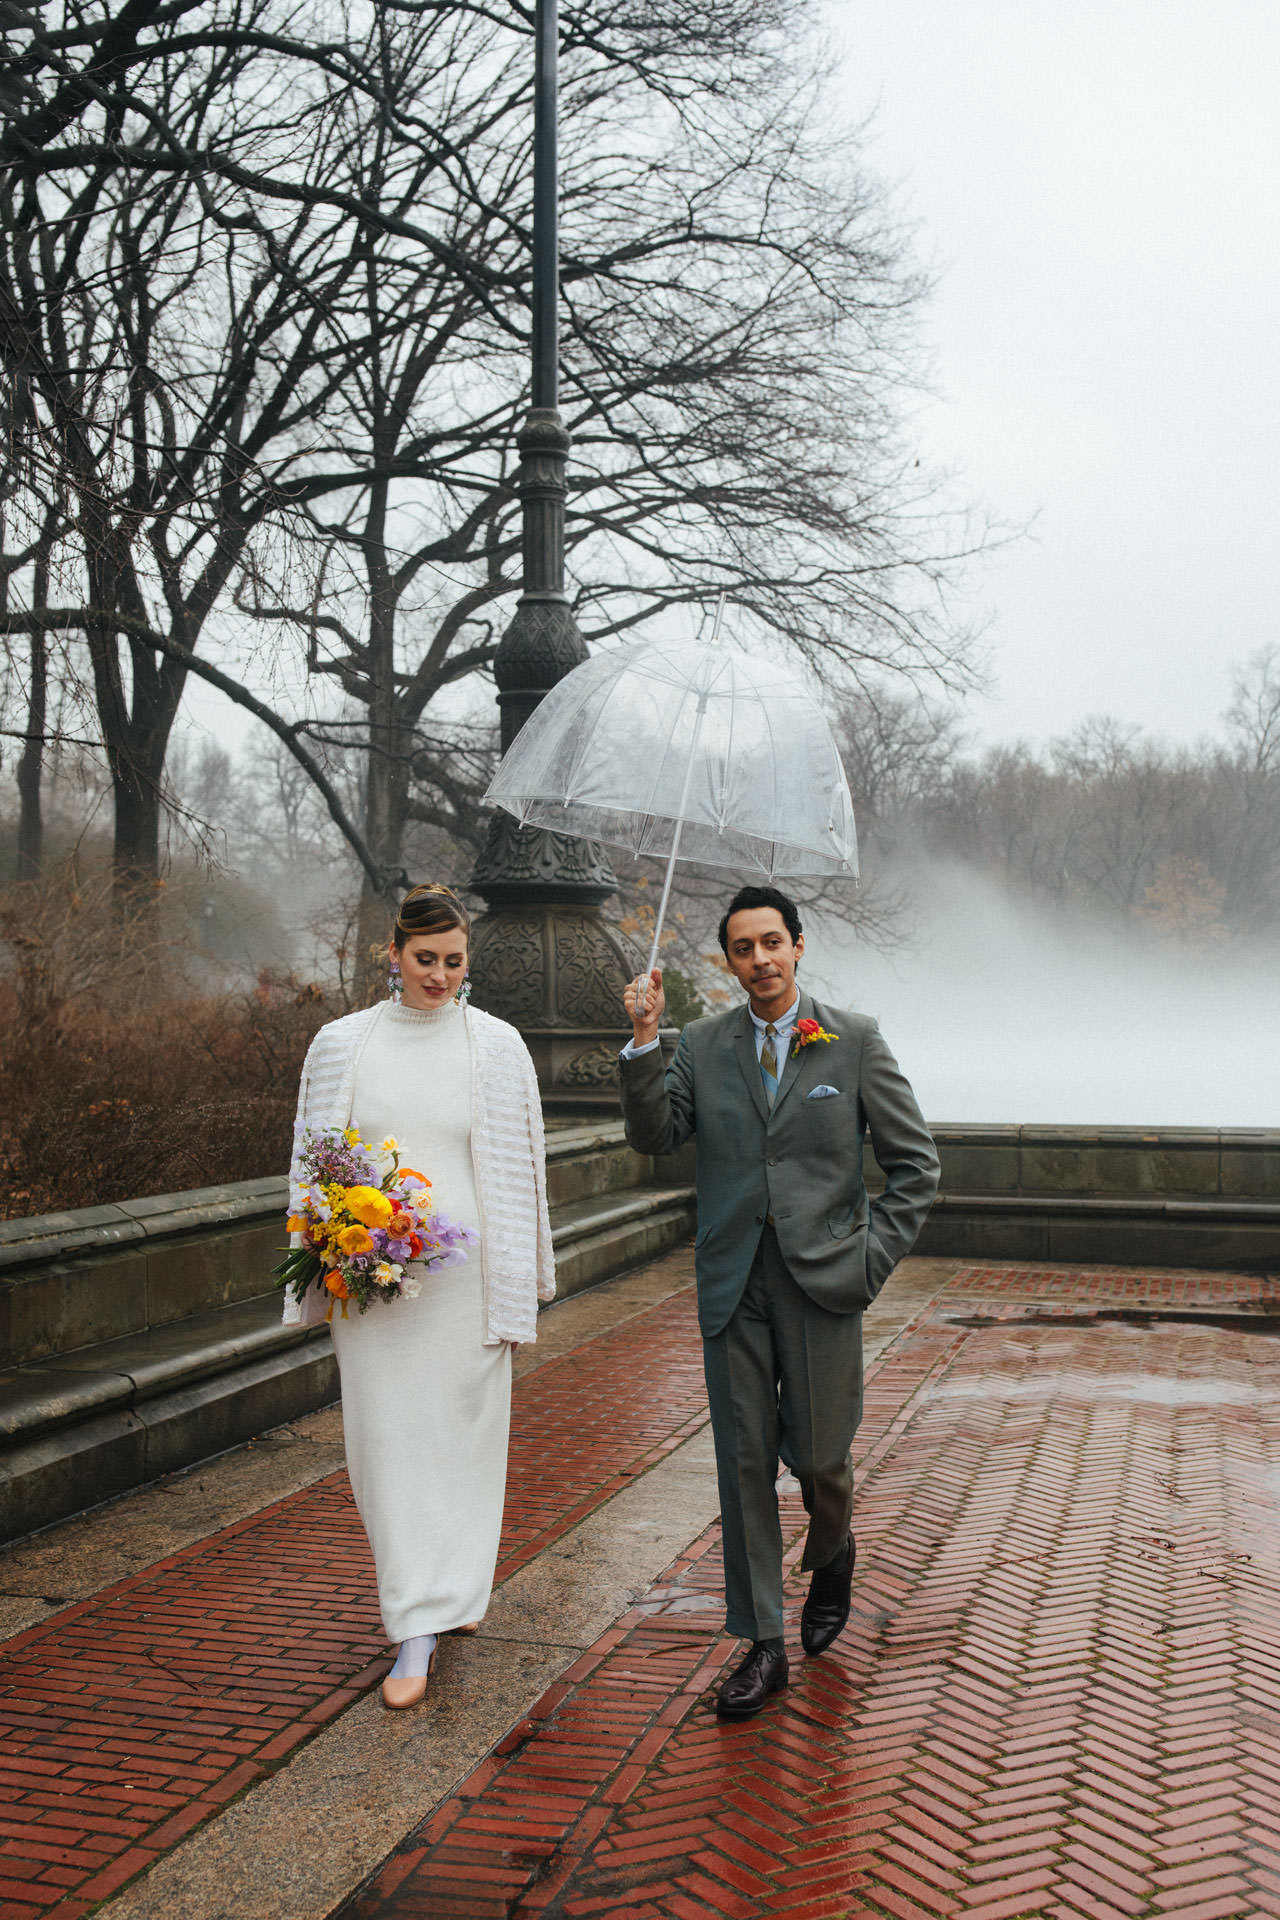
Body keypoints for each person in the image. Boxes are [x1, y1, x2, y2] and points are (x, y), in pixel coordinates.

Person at [620, 884, 938, 1720]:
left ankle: (833, 1552)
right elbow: (655, 1136)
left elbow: (916, 1167)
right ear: (728, 961)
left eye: (772, 942)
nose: (758, 959)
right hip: (734, 1285)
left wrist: (867, 1261)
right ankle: (762, 1642)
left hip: (823, 1282)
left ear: (799, 947)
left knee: (820, 1457)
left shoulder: (852, 1042)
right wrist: (647, 1041)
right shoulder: (697, 1042)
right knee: (746, 1463)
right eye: (741, 948)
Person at [284, 883, 555, 1709]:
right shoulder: (341, 1043)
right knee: (387, 1446)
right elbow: (313, 1159)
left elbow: (525, 1167)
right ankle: (413, 1621)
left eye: (454, 962)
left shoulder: (499, 1044)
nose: (439, 975)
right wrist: (325, 1253)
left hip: (465, 1284)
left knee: (465, 1446)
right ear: (394, 955)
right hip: (373, 1283)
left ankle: (447, 1600)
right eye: (424, 959)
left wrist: (524, 1280)